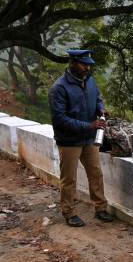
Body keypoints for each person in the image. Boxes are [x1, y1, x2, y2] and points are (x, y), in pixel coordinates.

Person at [48, 49, 114, 226]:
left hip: (90, 139)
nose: (87, 68)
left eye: (89, 64)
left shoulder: (90, 80)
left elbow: (97, 98)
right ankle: (69, 212)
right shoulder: (59, 88)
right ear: (72, 63)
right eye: (84, 64)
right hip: (69, 141)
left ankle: (100, 208)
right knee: (69, 178)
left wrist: (101, 109)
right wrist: (89, 125)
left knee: (96, 174)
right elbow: (60, 119)